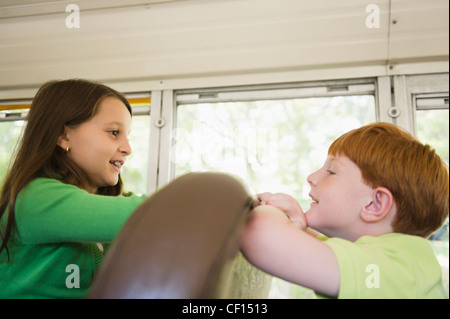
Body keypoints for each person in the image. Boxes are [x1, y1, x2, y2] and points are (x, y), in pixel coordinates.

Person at [241, 122, 449, 298]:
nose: (311, 177)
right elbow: (303, 244)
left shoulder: (398, 268)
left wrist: (268, 211)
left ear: (374, 204)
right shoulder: (376, 256)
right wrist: (293, 222)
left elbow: (261, 236)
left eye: (331, 171)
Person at [0, 79, 147, 298]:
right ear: (64, 135)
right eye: (114, 132)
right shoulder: (36, 198)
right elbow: (153, 214)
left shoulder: (106, 201)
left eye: (128, 136)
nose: (127, 148)